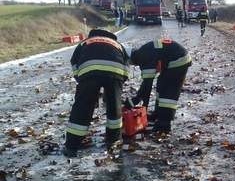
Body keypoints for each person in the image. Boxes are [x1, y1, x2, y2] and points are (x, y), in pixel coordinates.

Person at [63, 29, 130, 158]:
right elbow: (126, 66)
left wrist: (81, 81)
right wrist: (118, 86)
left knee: (82, 107)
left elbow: (74, 62)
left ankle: (72, 147)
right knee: (114, 107)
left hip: (89, 72)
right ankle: (113, 141)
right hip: (115, 72)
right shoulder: (118, 45)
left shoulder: (85, 42)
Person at [129, 38, 192, 134]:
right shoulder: (143, 51)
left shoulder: (143, 57)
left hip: (178, 60)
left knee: (169, 92)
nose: (135, 66)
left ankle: (165, 122)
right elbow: (146, 84)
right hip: (174, 59)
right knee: (161, 85)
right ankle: (158, 114)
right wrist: (138, 99)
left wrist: (143, 108)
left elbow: (147, 85)